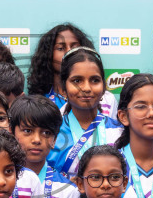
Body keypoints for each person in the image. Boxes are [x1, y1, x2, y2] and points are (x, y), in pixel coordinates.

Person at [46, 47, 121, 177]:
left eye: (95, 80)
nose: (86, 88)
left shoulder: (120, 132)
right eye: (77, 81)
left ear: (103, 86)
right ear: (64, 87)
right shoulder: (51, 133)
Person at [26, 22, 92, 112]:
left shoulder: (103, 98)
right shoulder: (36, 102)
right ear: (48, 55)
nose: (69, 52)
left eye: (75, 47)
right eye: (61, 48)